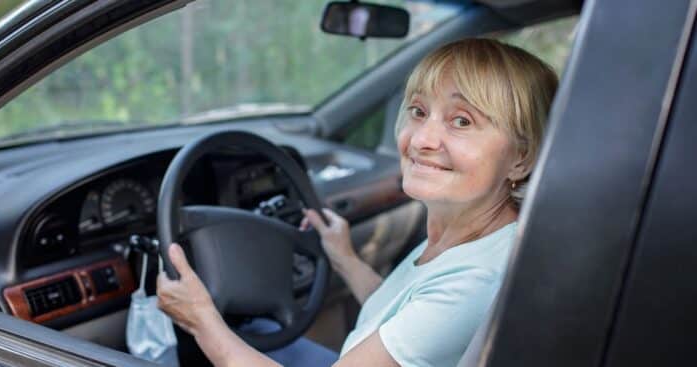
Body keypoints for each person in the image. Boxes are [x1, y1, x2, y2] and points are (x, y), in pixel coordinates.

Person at [156, 38, 558, 367]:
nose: (421, 140)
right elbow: (405, 318)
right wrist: (345, 257)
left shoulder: (474, 283)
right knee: (260, 334)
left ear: (521, 157)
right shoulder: (472, 236)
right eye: (418, 111)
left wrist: (203, 320)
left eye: (462, 121)